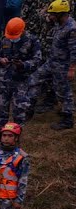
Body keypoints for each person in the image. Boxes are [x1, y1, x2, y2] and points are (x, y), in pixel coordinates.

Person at [0, 18, 43, 128]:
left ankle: (15, 137)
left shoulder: (32, 41)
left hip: (22, 81)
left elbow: (37, 61)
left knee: (19, 110)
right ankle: (2, 136)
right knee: (0, 108)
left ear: (22, 31)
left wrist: (23, 65)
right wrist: (0, 60)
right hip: (4, 80)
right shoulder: (4, 39)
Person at [34, 0, 75, 129]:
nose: (50, 17)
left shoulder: (72, 29)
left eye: (52, 14)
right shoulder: (59, 23)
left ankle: (68, 119)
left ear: (61, 14)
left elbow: (74, 50)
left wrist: (72, 69)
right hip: (52, 61)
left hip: (63, 66)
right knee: (34, 78)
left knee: (64, 92)